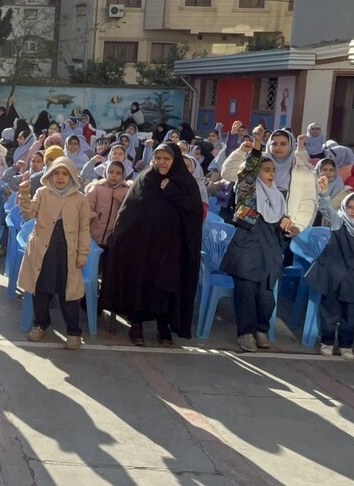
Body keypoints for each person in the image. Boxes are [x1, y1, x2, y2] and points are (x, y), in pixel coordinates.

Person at [101, 142, 203, 346]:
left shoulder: (185, 183)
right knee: (141, 283)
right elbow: (130, 210)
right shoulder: (146, 178)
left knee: (166, 285)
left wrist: (172, 192)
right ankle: (136, 324)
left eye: (167, 159)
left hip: (172, 248)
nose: (162, 162)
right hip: (144, 246)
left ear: (175, 160)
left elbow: (194, 212)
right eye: (159, 158)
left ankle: (163, 326)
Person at [221, 144, 295, 352]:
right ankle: (245, 332)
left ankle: (260, 329)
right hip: (247, 247)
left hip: (269, 250)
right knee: (246, 289)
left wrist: (289, 228)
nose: (271, 174)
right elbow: (246, 173)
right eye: (266, 169)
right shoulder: (247, 192)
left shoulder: (278, 198)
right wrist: (256, 145)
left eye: (273, 170)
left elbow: (280, 228)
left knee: (266, 295)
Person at [18, 158, 91, 348]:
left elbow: (84, 229)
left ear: (72, 176)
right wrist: (24, 194)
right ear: (49, 175)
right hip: (43, 251)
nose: (60, 177)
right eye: (56, 173)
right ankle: (41, 324)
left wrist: (82, 254)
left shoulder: (80, 199)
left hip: (67, 252)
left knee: (69, 293)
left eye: (65, 173)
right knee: (41, 289)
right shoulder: (42, 193)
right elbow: (28, 214)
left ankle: (73, 332)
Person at [307, 186, 354, 359]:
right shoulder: (340, 222)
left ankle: (346, 344)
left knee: (352, 313)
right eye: (350, 207)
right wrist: (324, 193)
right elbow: (326, 209)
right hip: (334, 275)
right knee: (330, 310)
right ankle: (327, 342)